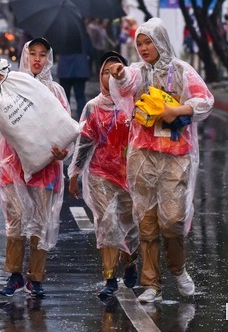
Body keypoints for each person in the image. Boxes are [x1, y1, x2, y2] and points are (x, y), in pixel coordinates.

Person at [108, 18, 214, 303]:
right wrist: (118, 75)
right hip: (143, 154)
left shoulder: (182, 71)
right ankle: (151, 283)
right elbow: (126, 83)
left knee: (173, 220)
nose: (143, 48)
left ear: (161, 42)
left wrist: (178, 109)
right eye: (139, 43)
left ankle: (178, 269)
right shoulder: (138, 72)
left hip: (175, 156)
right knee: (147, 221)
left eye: (148, 42)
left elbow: (205, 100)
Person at [0, 37, 70, 299]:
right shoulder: (10, 86)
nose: (38, 59)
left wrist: (63, 152)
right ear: (25, 56)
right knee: (16, 221)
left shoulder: (55, 92)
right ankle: (14, 275)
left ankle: (36, 278)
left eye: (43, 54)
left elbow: (65, 128)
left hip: (45, 168)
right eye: (33, 53)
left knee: (40, 223)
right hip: (12, 165)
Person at [67, 51, 139, 299]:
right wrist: (75, 174)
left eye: (114, 71)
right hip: (99, 174)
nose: (109, 77)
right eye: (104, 72)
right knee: (107, 224)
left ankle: (130, 263)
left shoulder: (134, 104)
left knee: (131, 226)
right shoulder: (92, 107)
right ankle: (109, 277)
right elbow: (85, 142)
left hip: (130, 175)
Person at [58, 50, 91, 119]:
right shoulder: (82, 39)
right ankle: (82, 120)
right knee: (80, 96)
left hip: (65, 69)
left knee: (64, 97)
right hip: (80, 68)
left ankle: (65, 119)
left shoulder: (62, 40)